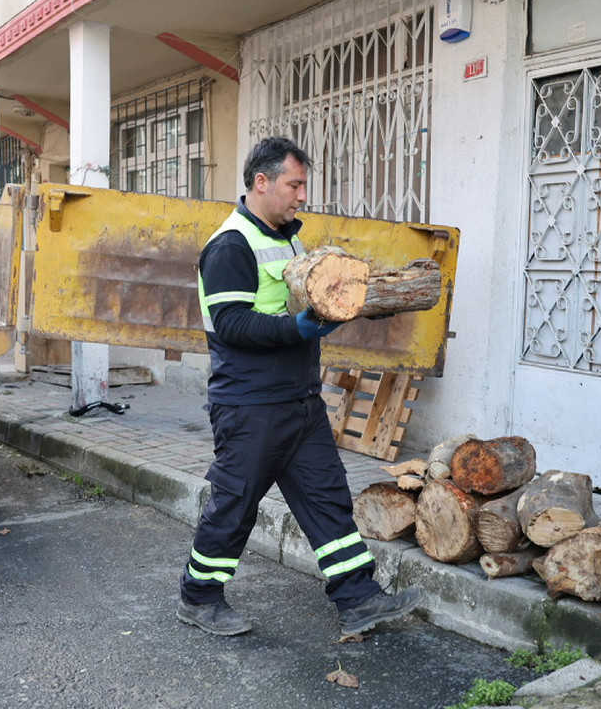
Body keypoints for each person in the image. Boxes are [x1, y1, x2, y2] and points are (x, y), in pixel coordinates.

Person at [177, 136, 424, 637]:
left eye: (303, 185)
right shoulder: (230, 245)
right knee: (235, 505)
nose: (301, 195)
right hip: (250, 405)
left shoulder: (288, 237)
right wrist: (299, 329)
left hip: (298, 400)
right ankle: (199, 596)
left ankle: (359, 598)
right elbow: (232, 324)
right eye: (294, 184)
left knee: (326, 498)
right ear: (261, 182)